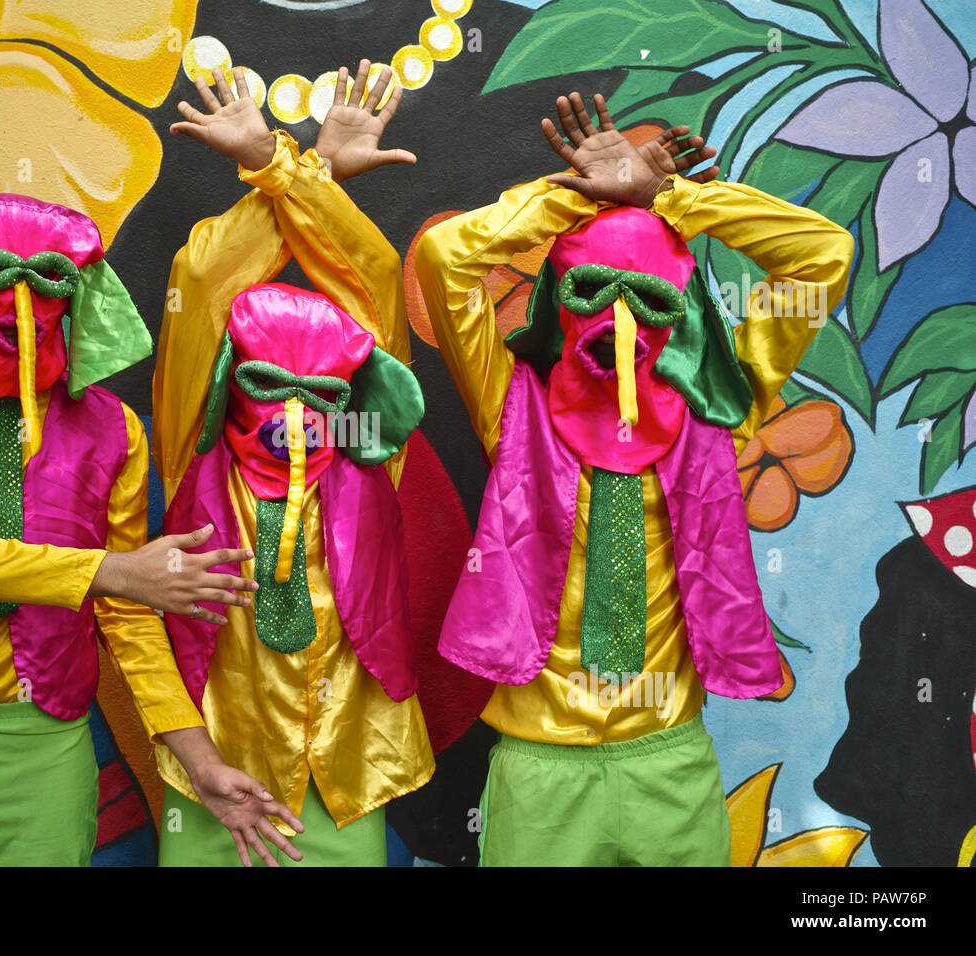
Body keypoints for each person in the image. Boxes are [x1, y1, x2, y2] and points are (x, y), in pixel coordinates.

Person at [415, 93, 855, 866]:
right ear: (559, 299)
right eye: (593, 293)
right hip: (537, 768)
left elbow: (821, 256)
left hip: (669, 759)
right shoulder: (510, 402)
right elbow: (445, 258)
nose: (619, 323)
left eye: (647, 300)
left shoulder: (718, 403)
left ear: (681, 312)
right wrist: (570, 198)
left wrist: (673, 200)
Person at [0, 191, 269, 866]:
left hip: (42, 744)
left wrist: (197, 756)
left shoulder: (112, 430)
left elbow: (128, 614)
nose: (21, 300)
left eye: (47, 279)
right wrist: (112, 570)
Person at [140, 62, 433, 866]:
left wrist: (303, 172)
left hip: (345, 777)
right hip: (214, 781)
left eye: (320, 391)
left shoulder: (374, 457)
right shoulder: (186, 451)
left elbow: (368, 278)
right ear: (227, 379)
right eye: (269, 384)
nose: (295, 413)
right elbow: (204, 280)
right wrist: (290, 166)